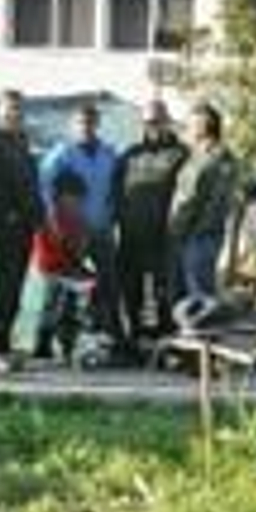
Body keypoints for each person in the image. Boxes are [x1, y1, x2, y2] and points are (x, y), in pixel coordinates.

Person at [40, 103, 122, 348]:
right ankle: (45, 340)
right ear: (72, 125)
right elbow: (44, 188)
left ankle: (112, 335)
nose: (86, 127)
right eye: (80, 123)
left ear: (97, 124)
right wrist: (53, 221)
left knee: (108, 283)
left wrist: (113, 214)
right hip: (71, 232)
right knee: (61, 288)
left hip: (102, 228)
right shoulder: (61, 153)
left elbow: (116, 187)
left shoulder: (108, 153)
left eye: (90, 122)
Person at [112, 99, 187, 349]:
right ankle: (135, 339)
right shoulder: (130, 154)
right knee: (130, 290)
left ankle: (166, 344)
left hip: (164, 236)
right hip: (131, 235)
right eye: (147, 121)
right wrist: (118, 219)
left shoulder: (181, 154)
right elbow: (115, 191)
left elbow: (188, 194)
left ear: (167, 122)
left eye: (157, 121)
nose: (152, 126)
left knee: (163, 292)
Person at [0, 89, 44, 369]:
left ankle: (3, 345)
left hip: (25, 228)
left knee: (14, 287)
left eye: (18, 109)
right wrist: (2, 215)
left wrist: (38, 217)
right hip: (1, 227)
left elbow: (31, 185)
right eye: (8, 110)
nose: (14, 114)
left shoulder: (22, 142)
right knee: (2, 287)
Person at [168, 102, 239, 305]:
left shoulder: (203, 159)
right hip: (211, 234)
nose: (186, 130)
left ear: (202, 126)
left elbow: (187, 201)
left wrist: (173, 231)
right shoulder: (226, 157)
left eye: (189, 125)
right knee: (204, 298)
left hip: (195, 236)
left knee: (198, 303)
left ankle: (201, 335)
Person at [30, 169, 94, 364]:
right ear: (61, 196)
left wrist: (79, 263)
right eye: (73, 198)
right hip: (53, 267)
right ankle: (43, 343)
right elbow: (49, 246)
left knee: (70, 306)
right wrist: (71, 263)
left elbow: (81, 244)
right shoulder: (52, 216)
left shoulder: (79, 218)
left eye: (78, 200)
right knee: (52, 305)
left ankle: (67, 345)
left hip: (69, 269)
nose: (76, 203)